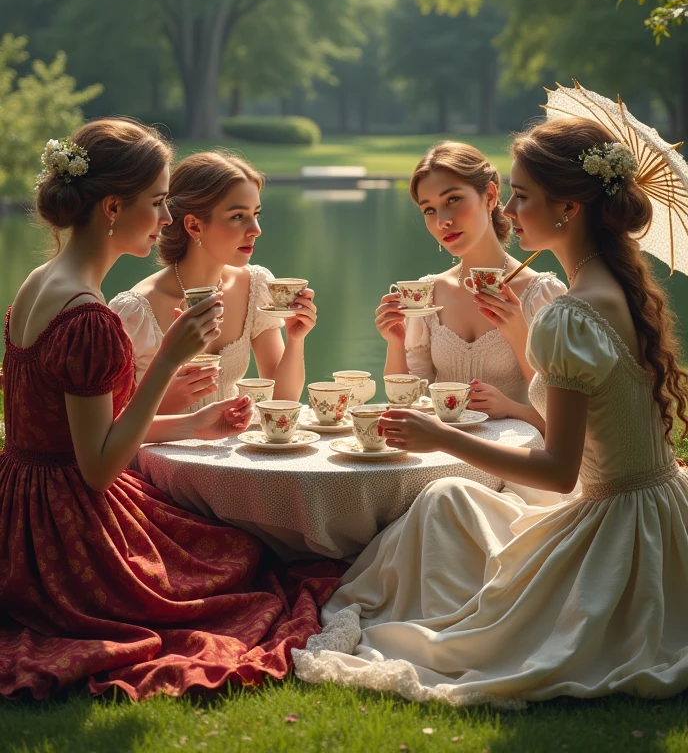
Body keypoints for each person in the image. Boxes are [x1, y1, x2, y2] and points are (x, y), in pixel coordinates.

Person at [294, 116, 688, 706]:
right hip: (662, 507)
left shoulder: (568, 310)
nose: (514, 210)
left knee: (464, 637)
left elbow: (559, 472)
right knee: (451, 499)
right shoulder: (618, 285)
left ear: (570, 208)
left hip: (621, 528)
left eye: (523, 196)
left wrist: (439, 437)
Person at [0, 120, 340, 701]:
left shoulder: (39, 281)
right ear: (112, 207)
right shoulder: (91, 317)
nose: (164, 219)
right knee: (244, 570)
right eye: (157, 202)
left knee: (233, 551)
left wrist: (191, 420)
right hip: (65, 530)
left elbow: (67, 434)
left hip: (17, 509)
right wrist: (166, 363)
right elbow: (99, 468)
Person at [375, 141, 566, 432]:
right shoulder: (428, 295)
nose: (442, 221)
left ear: (489, 196)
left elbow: (568, 425)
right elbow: (407, 409)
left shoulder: (541, 294)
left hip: (522, 460)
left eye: (452, 200)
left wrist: (510, 407)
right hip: (442, 453)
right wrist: (395, 342)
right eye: (429, 210)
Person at [110, 150, 316, 415]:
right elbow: (110, 426)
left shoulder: (255, 286)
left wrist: (295, 338)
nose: (256, 229)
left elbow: (281, 401)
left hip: (229, 450)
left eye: (256, 214)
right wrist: (166, 403)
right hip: (159, 454)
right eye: (238, 217)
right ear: (194, 226)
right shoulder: (135, 310)